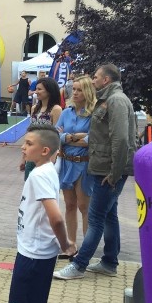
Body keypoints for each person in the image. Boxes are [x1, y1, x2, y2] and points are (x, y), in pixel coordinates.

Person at [3, 123, 76, 303]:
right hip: (31, 251)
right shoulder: (42, 169)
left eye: (29, 143)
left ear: (45, 150)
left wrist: (66, 244)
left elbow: (55, 216)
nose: (23, 147)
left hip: (35, 255)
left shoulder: (41, 175)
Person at [55, 64, 136, 281]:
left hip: (108, 169)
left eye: (96, 77)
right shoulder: (109, 100)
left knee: (95, 217)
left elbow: (121, 139)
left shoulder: (115, 101)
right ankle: (109, 262)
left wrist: (115, 172)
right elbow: (60, 134)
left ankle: (79, 265)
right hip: (102, 166)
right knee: (109, 216)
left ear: (106, 80)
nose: (93, 80)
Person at [56, 75, 96, 248]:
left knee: (84, 206)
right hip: (66, 162)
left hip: (84, 163)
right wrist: (72, 137)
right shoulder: (66, 112)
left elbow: (94, 138)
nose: (76, 92)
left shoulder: (93, 114)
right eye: (75, 89)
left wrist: (70, 138)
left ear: (88, 91)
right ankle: (70, 244)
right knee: (70, 205)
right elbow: (57, 135)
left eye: (80, 89)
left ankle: (87, 248)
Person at [21, 77, 63, 180]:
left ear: (49, 91)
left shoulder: (56, 109)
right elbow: (30, 133)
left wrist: (52, 161)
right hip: (32, 154)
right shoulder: (34, 108)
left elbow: (55, 137)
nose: (36, 92)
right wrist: (23, 158)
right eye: (36, 89)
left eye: (40, 89)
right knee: (29, 185)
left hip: (46, 157)